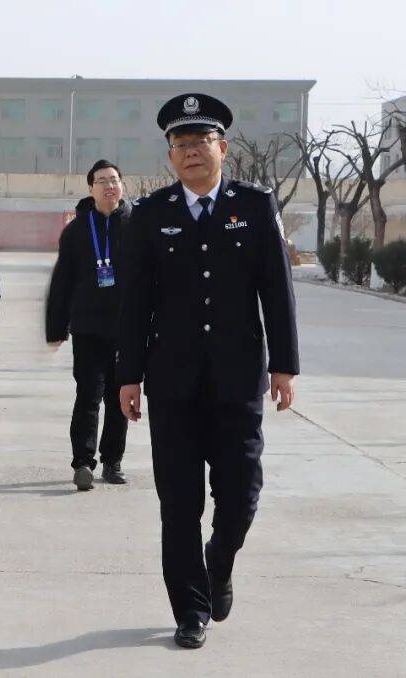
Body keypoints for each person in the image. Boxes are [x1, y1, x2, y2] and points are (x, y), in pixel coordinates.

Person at [117, 94, 299, 649]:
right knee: (179, 504)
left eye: (201, 141)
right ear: (169, 155)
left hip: (238, 379)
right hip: (172, 382)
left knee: (241, 493)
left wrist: (284, 366)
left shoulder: (255, 206)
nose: (191, 151)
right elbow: (134, 302)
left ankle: (218, 563)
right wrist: (128, 375)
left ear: (223, 148)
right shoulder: (151, 213)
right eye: (180, 144)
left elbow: (277, 290)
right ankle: (190, 611)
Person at [45, 159, 131, 490]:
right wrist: (57, 328)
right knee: (88, 396)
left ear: (122, 185)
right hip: (88, 329)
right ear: (90, 188)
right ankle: (82, 461)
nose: (110, 186)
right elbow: (62, 283)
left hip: (125, 329)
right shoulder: (76, 231)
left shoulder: (136, 226)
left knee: (120, 397)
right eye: (102, 181)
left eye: (114, 180)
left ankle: (112, 461)